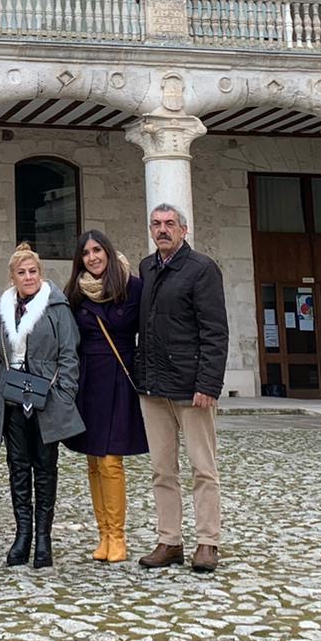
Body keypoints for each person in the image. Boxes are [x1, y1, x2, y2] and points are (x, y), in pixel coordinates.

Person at [136, 203, 229, 574]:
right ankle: (169, 540)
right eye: (157, 224)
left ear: (184, 230)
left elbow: (214, 331)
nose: (163, 230)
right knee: (162, 469)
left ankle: (208, 541)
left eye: (170, 224)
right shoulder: (147, 267)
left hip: (192, 388)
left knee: (203, 468)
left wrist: (208, 383)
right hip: (154, 387)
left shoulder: (202, 269)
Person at [0, 243, 82, 569]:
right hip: (12, 396)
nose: (28, 277)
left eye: (33, 271)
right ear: (12, 277)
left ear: (40, 274)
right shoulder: (2, 309)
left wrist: (64, 395)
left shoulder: (56, 308)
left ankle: (43, 538)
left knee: (44, 467)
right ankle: (22, 534)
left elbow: (69, 354)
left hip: (47, 397)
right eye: (21, 272)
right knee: (17, 467)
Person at [62, 229, 149, 563]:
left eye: (98, 250)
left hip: (121, 379)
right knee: (94, 461)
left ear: (109, 253)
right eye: (86, 253)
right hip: (89, 381)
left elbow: (149, 331)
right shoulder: (76, 293)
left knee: (112, 461)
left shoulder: (134, 287)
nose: (93, 257)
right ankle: (103, 536)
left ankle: (118, 536)